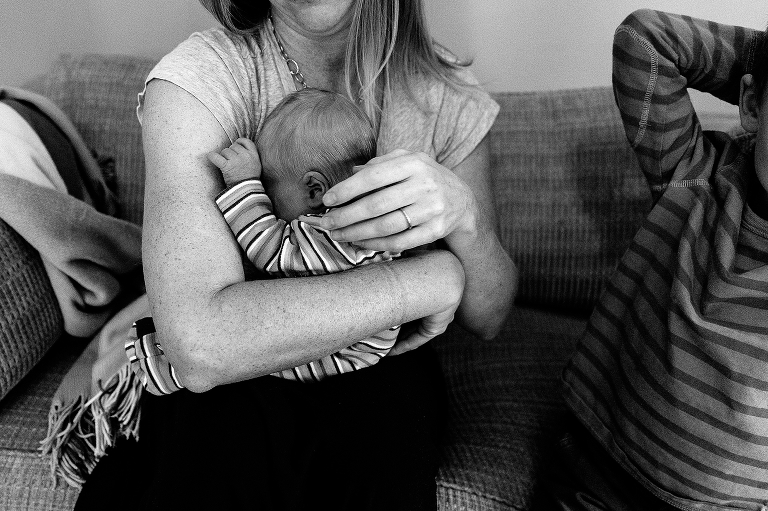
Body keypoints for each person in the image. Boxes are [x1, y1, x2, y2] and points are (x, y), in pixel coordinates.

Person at [75, 0, 516, 510]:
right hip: (238, 379)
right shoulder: (200, 79)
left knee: (384, 420)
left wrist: (465, 217)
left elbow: (490, 316)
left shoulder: (446, 95)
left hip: (380, 371)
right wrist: (435, 279)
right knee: (213, 430)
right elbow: (201, 349)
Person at [545, 8, 768, 511]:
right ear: (752, 105)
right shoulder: (696, 176)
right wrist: (765, 56)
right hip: (598, 469)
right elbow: (643, 39)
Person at [129, 88, 403, 388]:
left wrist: (244, 183)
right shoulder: (368, 217)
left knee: (236, 360)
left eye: (268, 183)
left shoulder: (338, 233)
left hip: (342, 356)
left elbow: (273, 252)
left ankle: (160, 369)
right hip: (342, 340)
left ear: (314, 190)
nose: (265, 193)